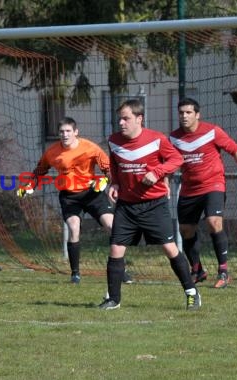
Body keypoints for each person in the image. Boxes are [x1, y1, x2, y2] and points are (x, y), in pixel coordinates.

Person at [100, 98, 200, 311]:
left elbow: (177, 160)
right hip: (126, 206)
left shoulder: (157, 139)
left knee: (169, 248)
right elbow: (115, 164)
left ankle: (192, 293)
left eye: (126, 119)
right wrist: (115, 183)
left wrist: (157, 173)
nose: (121, 123)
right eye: (119, 119)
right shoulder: (114, 140)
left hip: (154, 204)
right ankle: (114, 300)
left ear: (139, 119)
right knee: (116, 249)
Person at [29, 117, 133, 284]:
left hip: (92, 194)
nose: (65, 134)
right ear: (58, 134)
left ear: (76, 132)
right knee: (74, 228)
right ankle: (75, 273)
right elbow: (40, 170)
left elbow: (107, 168)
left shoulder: (90, 148)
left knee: (112, 226)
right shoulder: (52, 152)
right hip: (70, 197)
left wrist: (112, 183)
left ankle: (121, 270)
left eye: (68, 131)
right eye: (62, 131)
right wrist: (31, 185)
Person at [170, 98, 237, 288]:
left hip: (213, 185)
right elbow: (166, 161)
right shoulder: (174, 138)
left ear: (197, 115)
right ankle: (197, 270)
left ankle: (224, 272)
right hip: (189, 189)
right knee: (186, 230)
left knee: (213, 222)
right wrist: (164, 181)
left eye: (188, 112)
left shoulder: (212, 131)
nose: (184, 116)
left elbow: (236, 149)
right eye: (181, 112)